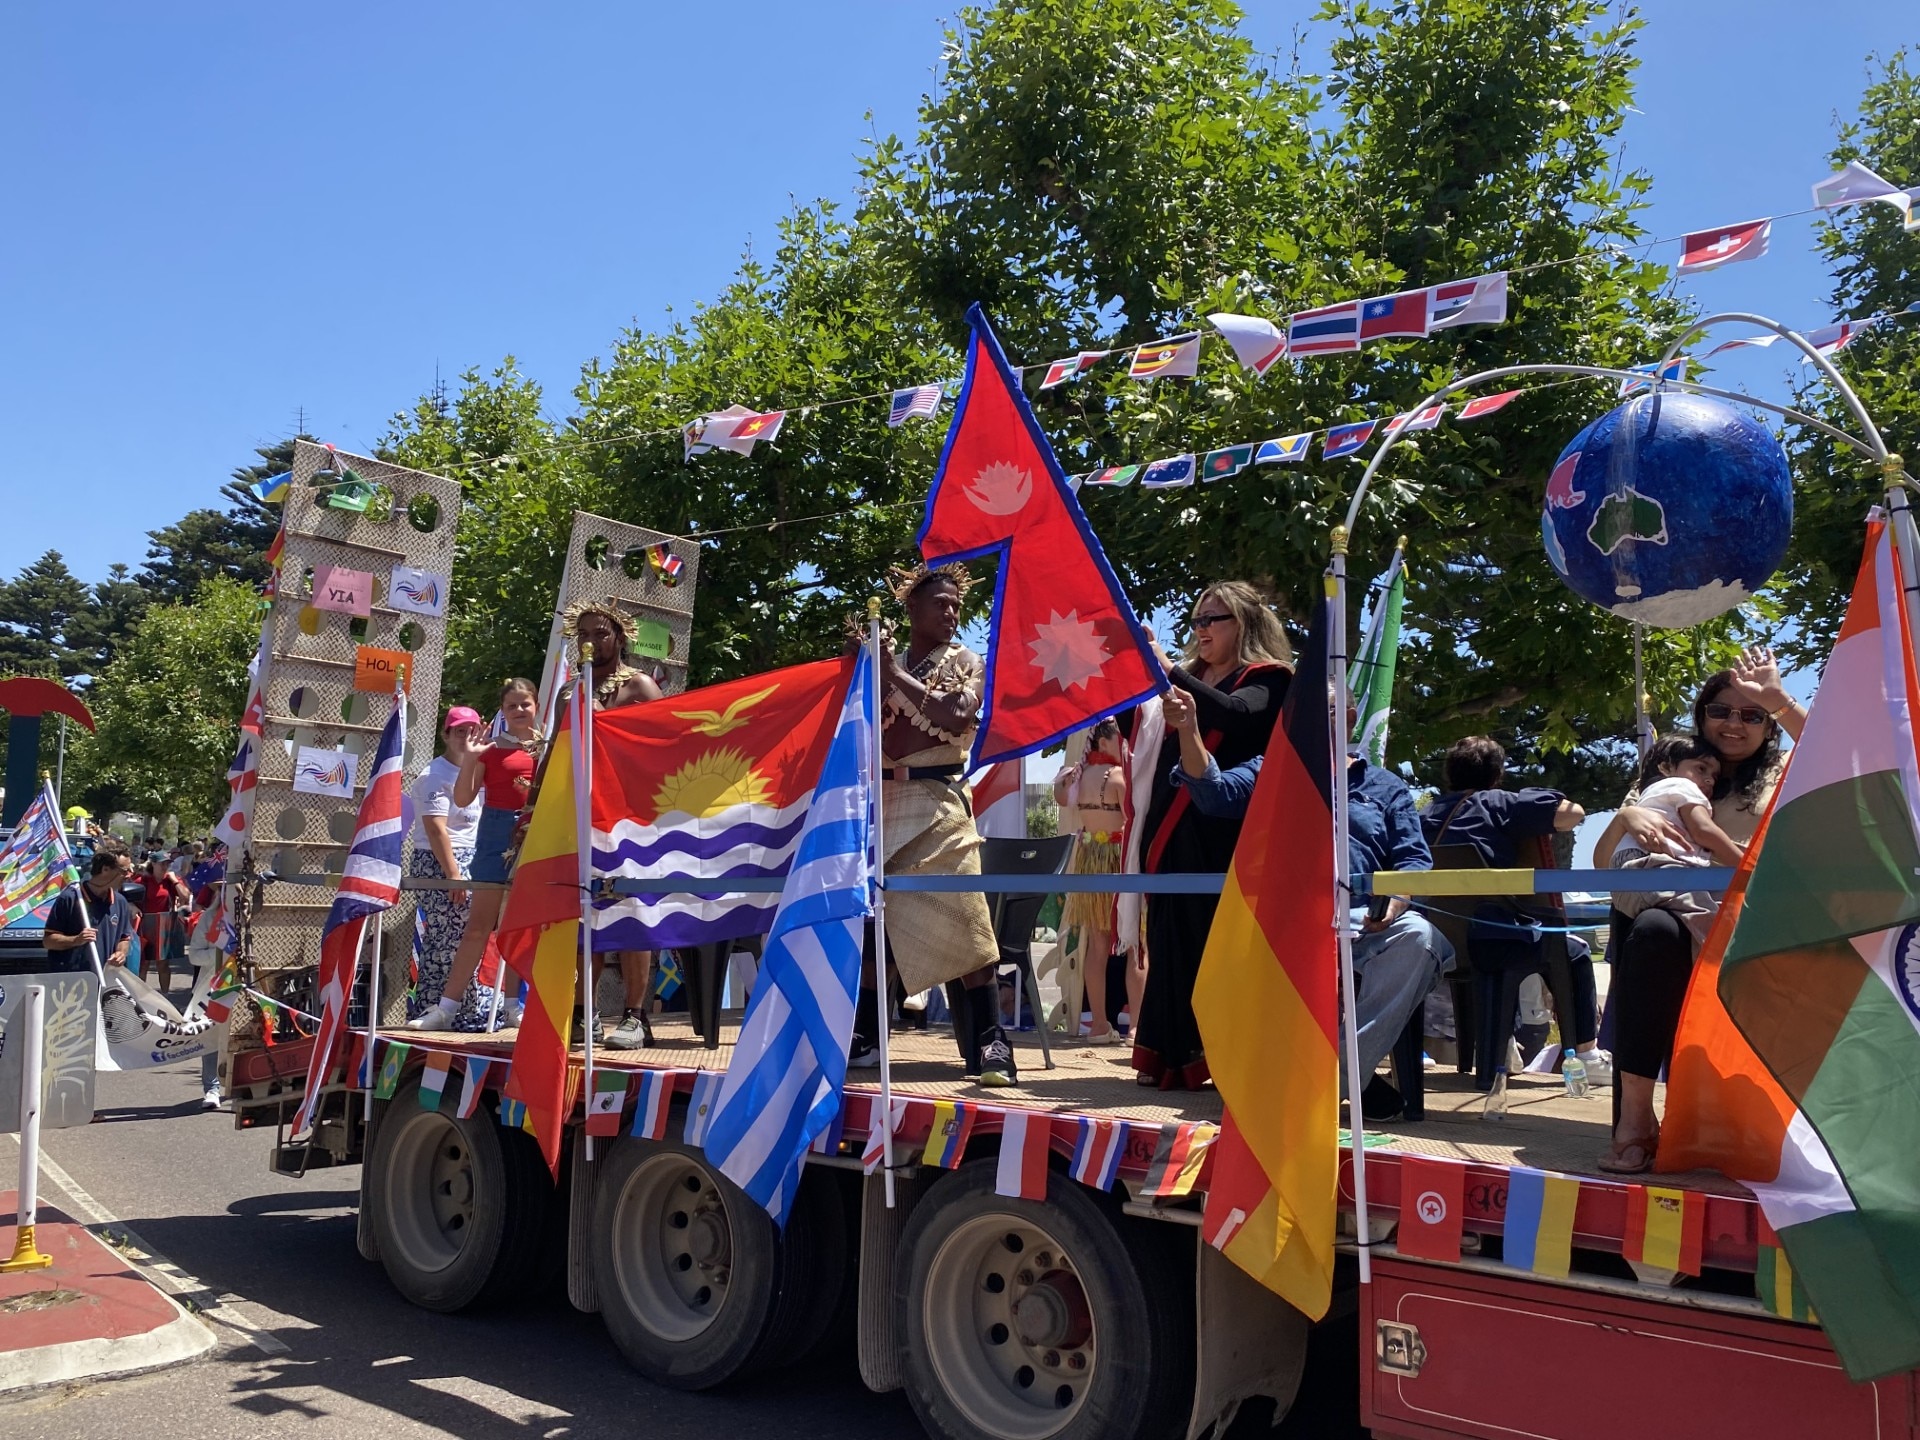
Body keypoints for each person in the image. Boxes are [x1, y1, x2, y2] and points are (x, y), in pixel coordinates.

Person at [1174, 694, 1454, 1120]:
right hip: (1286, 917)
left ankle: (1323, 1079)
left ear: (1350, 717)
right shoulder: (1274, 769)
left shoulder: (1387, 786)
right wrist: (1188, 727)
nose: (1310, 722)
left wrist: (1395, 903)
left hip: (1364, 918)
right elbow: (1214, 794)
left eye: (1321, 712)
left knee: (1420, 938)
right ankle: (1334, 1083)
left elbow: (1414, 863)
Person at [1589, 644, 1805, 1174]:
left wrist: (1780, 700)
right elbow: (1608, 865)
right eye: (1720, 711)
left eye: (1752, 714)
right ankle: (1636, 1120)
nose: (1734, 723)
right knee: (1654, 929)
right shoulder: (1669, 774)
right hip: (1685, 921)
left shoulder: (1786, 767)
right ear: (1700, 718)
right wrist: (1626, 817)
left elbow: (1852, 755)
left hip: (1763, 920)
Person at [849, 563, 1015, 1086]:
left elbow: (955, 717)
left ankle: (992, 1042)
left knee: (965, 919)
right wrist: (865, 666)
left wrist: (889, 675)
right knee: (876, 931)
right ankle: (868, 1037)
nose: (951, 613)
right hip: (885, 803)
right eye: (940, 604)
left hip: (942, 801)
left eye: (956, 606)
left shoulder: (966, 661)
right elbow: (858, 720)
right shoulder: (884, 660)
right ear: (912, 610)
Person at [1133, 582, 1291, 1089]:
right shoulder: (1190, 677)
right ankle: (1167, 1057)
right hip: (1169, 822)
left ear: (1243, 623)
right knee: (1167, 939)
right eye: (1196, 621)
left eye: (1212, 620)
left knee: (1211, 944)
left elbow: (1236, 715)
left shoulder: (1270, 677)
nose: (1200, 630)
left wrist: (1167, 670)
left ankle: (1221, 1058)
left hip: (1226, 828)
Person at [1422, 735, 1609, 1086]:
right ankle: (1586, 1053)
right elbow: (1573, 814)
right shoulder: (1501, 803)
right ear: (1496, 774)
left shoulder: (1425, 814)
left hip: (1438, 944)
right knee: (1575, 951)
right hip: (1495, 941)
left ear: (1449, 773)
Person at [409, 679, 544, 1032]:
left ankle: (514, 1006)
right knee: (478, 927)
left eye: (524, 704)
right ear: (502, 710)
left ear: (536, 706)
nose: (518, 711)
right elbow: (465, 797)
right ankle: (446, 1010)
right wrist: (471, 758)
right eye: (511, 705)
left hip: (535, 833)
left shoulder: (547, 750)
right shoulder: (489, 749)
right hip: (494, 836)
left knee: (519, 926)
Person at [564, 600, 666, 1050]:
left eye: (600, 633)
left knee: (633, 913)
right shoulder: (573, 691)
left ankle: (635, 1015)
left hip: (632, 818)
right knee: (588, 915)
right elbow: (555, 751)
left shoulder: (640, 686)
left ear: (620, 638)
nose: (591, 640)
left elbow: (669, 742)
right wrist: (531, 810)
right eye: (583, 633)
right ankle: (586, 1014)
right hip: (583, 816)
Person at [1052, 718, 1142, 1042]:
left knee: (1097, 945)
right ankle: (1135, 1026)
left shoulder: (1080, 775)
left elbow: (1062, 798)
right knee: (1136, 945)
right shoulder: (1118, 778)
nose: (1126, 745)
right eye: (1120, 739)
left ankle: (1100, 1024)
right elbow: (1133, 817)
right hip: (1119, 860)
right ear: (1103, 743)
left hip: (1089, 859)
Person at [406, 705, 486, 1025]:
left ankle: (457, 1009)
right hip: (440, 862)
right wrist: (454, 875)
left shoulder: (479, 769)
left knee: (467, 936)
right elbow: (436, 828)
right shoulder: (433, 775)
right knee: (448, 938)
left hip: (473, 859)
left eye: (472, 730)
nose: (466, 737)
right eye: (459, 731)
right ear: (447, 735)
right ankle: (440, 1009)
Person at [43, 844, 136, 972]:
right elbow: (48, 941)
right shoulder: (70, 898)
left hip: (106, 980)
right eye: (124, 871)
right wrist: (76, 940)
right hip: (72, 982)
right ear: (105, 869)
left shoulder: (120, 902)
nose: (129, 875)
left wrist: (121, 953)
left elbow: (124, 938)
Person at [133, 852, 190, 992]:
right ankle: (141, 997)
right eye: (162, 863)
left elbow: (185, 897)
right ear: (153, 864)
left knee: (163, 964)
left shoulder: (169, 881)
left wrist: (174, 880)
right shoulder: (142, 880)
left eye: (167, 863)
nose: (165, 866)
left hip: (164, 923)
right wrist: (132, 906)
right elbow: (126, 897)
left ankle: (165, 996)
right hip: (145, 923)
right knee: (143, 964)